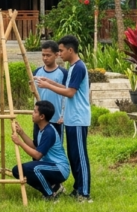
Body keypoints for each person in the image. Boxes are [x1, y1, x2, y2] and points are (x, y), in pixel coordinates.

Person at [35, 35, 92, 202]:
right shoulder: (73, 67)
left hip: (79, 119)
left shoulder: (79, 67)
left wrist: (48, 86)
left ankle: (85, 193)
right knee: (73, 155)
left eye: (60, 50)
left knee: (80, 156)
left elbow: (70, 93)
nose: (59, 53)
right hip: (71, 119)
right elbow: (67, 87)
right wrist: (49, 81)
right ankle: (77, 189)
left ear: (70, 50)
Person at [10, 100, 70, 199]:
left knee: (34, 168)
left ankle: (50, 195)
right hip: (49, 166)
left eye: (35, 112)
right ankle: (55, 187)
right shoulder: (41, 128)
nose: (32, 114)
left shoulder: (49, 132)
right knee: (17, 171)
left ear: (42, 117)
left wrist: (19, 143)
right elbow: (35, 146)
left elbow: (37, 155)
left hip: (59, 168)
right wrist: (21, 133)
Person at [32, 40, 68, 133]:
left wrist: (63, 115)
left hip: (56, 117)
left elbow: (67, 94)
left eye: (48, 55)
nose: (45, 58)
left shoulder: (63, 73)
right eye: (43, 55)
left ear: (56, 55)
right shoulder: (37, 72)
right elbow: (35, 94)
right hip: (40, 117)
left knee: (55, 145)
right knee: (38, 144)